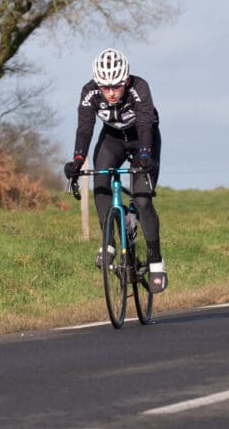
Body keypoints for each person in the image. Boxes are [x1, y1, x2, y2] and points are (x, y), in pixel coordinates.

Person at [63, 48, 167, 293]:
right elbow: (85, 128)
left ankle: (155, 259)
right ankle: (109, 242)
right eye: (105, 87)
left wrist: (145, 155)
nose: (110, 92)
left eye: (116, 87)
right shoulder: (89, 92)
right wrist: (77, 160)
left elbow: (145, 124)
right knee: (101, 184)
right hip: (112, 139)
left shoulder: (139, 88)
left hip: (142, 138)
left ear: (126, 80)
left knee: (142, 200)